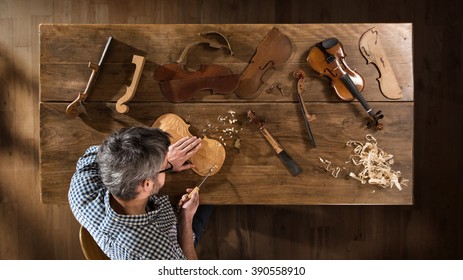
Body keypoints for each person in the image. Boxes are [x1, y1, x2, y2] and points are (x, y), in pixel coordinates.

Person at [68, 126, 211, 260]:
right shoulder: (157, 252)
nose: (168, 164)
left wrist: (157, 161)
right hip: (178, 235)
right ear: (147, 184)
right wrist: (185, 218)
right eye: (165, 165)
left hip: (160, 216)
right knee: (211, 192)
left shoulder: (83, 194)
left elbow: (97, 153)